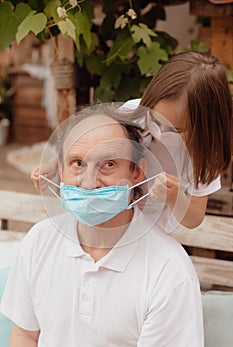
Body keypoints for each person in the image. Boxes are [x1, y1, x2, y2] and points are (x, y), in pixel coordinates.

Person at [1, 106, 204, 347]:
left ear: (137, 172)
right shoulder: (39, 240)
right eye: (78, 163)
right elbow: (25, 336)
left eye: (108, 164)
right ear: (62, 171)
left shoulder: (170, 271)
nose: (89, 183)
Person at [31, 51, 233, 233]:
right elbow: (89, 147)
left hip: (153, 233)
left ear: (205, 126)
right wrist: (52, 166)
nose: (160, 133)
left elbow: (194, 219)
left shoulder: (205, 152)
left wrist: (175, 197)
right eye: (154, 119)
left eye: (176, 130)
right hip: (110, 219)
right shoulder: (133, 113)